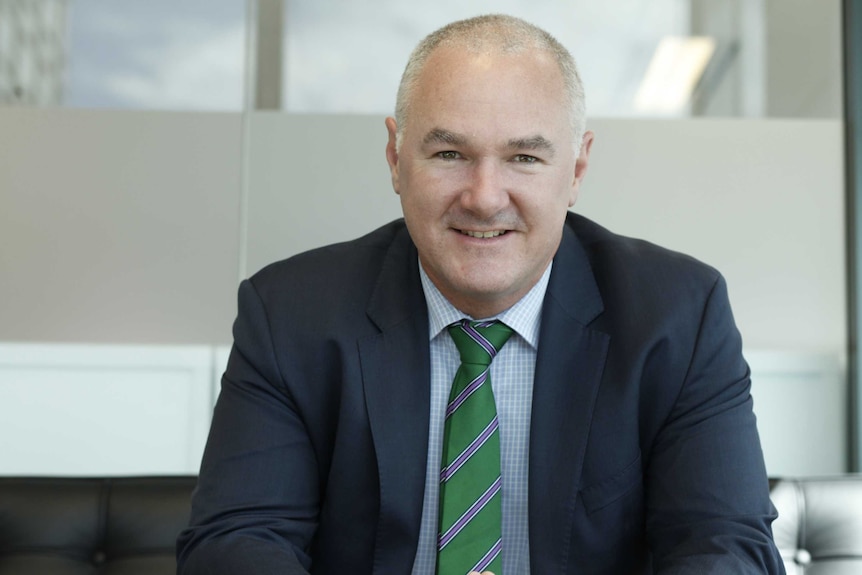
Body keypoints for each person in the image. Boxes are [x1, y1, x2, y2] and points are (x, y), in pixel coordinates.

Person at [176, 14, 784, 575]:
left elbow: (724, 545)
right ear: (394, 157)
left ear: (576, 169)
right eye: (449, 154)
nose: (485, 197)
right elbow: (239, 541)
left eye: (524, 157)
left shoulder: (677, 315)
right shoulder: (290, 315)